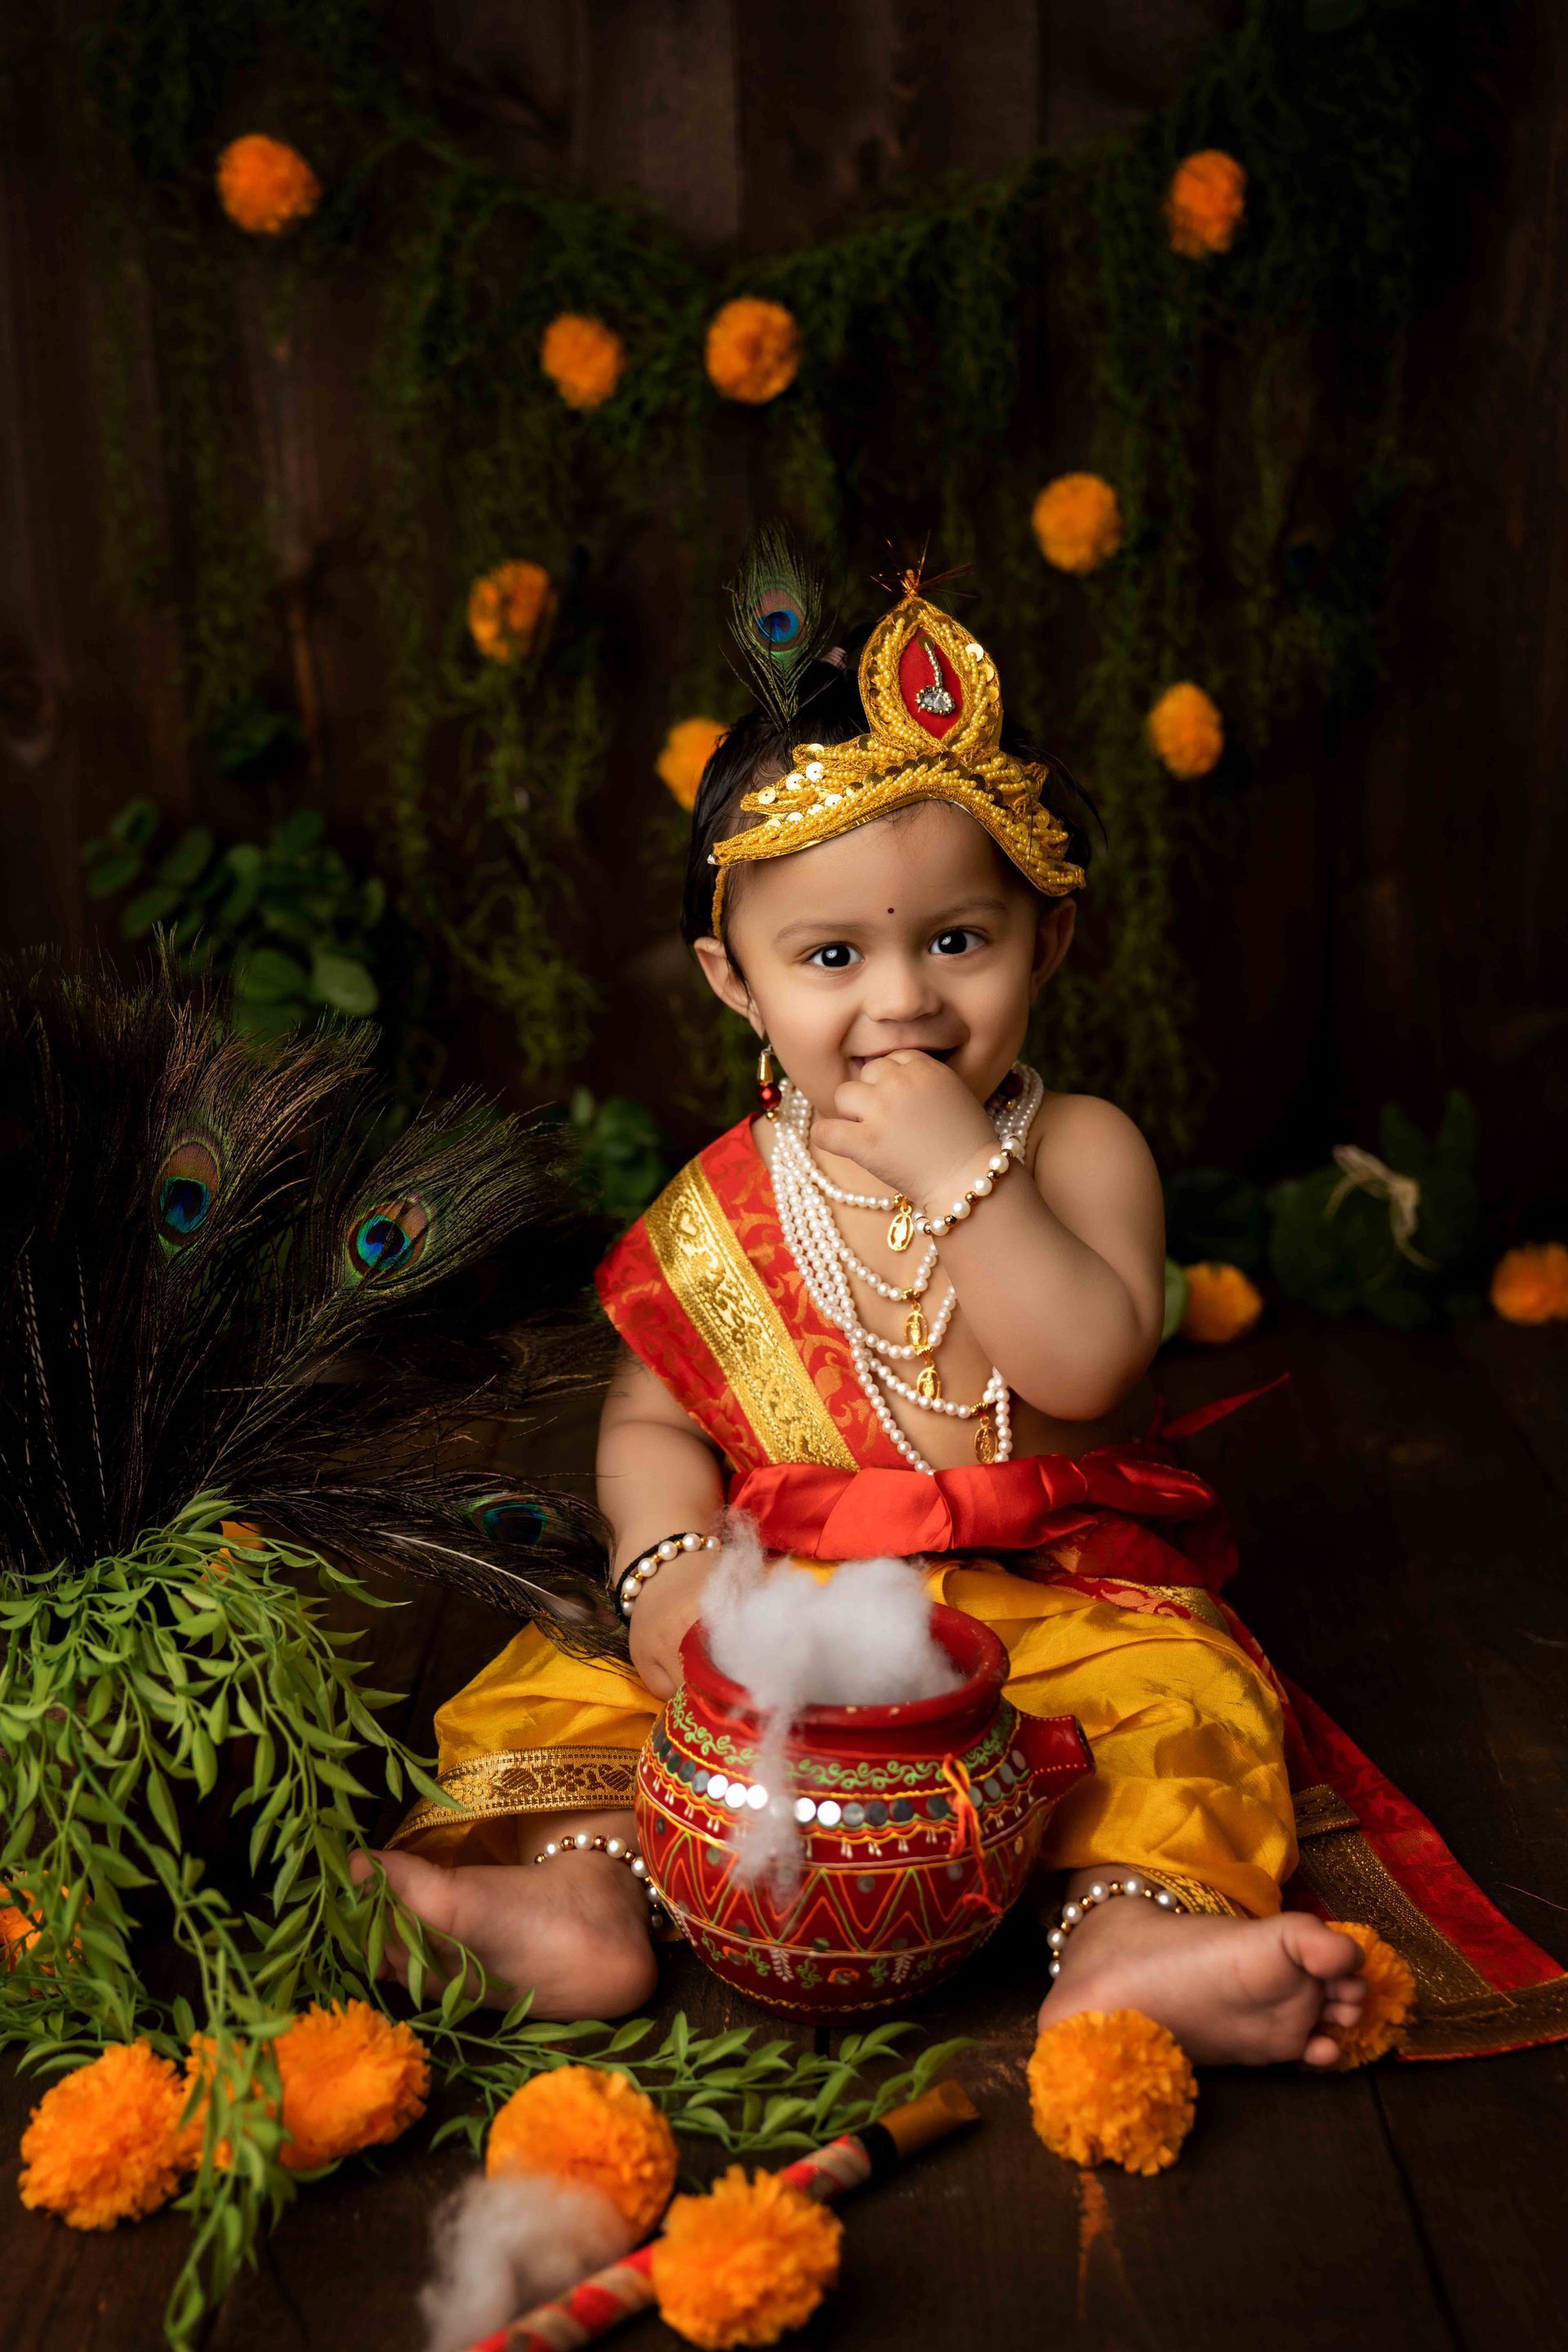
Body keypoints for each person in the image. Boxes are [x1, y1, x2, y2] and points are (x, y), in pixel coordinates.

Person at [358, 570, 1568, 2066]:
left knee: (1174, 1720)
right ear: (734, 982)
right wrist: (667, 1568)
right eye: (830, 958)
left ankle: (1130, 1940)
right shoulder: (729, 1197)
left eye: (956, 941)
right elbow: (651, 1418)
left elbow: (1091, 1368)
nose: (902, 1002)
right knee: (598, 1709)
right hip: (786, 1605)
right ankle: (582, 1912)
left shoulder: (1079, 1149)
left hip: (1058, 1598)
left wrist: (960, 1176)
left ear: (1047, 942)